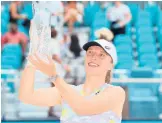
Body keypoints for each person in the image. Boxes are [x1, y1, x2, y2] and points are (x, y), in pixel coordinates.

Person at [19, 24, 125, 122]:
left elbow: (83, 107)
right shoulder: (68, 91)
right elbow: (26, 96)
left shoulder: (116, 92)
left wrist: (54, 76)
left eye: (101, 55)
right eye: (90, 52)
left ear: (111, 65)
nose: (93, 57)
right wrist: (33, 56)